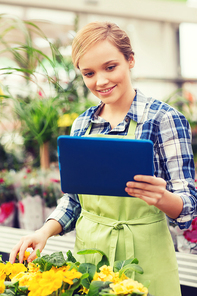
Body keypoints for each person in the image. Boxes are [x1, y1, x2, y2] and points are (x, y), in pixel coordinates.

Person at [10, 22, 196, 296]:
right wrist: (44, 232)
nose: (101, 81)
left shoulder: (164, 119)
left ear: (130, 59)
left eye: (110, 67)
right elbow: (74, 199)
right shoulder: (82, 125)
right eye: (89, 73)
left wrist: (163, 198)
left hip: (147, 260)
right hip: (90, 259)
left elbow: (189, 205)